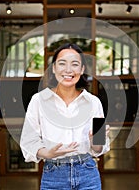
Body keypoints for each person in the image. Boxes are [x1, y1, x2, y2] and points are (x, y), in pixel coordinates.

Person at [20, 43, 110, 190]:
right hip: (53, 175)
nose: (68, 70)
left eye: (75, 64)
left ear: (82, 69)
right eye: (62, 63)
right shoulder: (38, 101)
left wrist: (96, 140)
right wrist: (48, 153)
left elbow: (98, 147)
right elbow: (29, 141)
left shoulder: (94, 102)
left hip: (87, 173)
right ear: (54, 68)